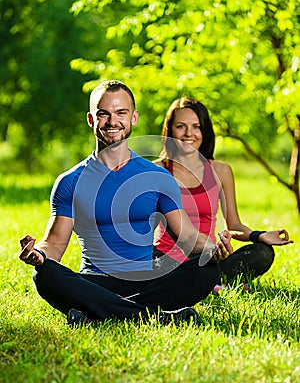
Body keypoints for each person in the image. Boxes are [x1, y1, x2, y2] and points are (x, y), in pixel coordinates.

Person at [19, 81, 235, 326]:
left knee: (205, 270)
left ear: (134, 118)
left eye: (121, 113)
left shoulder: (158, 177)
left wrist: (213, 249)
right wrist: (39, 254)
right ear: (91, 119)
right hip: (96, 280)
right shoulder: (70, 181)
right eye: (104, 114)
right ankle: (155, 317)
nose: (113, 122)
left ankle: (94, 312)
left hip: (147, 279)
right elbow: (56, 242)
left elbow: (186, 236)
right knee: (45, 274)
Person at [153, 97, 293, 292]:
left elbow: (234, 225)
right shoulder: (156, 171)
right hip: (165, 259)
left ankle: (209, 282)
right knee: (147, 261)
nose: (189, 134)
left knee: (262, 253)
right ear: (170, 131)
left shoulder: (221, 171)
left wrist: (260, 236)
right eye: (181, 126)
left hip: (208, 259)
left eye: (196, 127)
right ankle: (215, 284)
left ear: (205, 131)